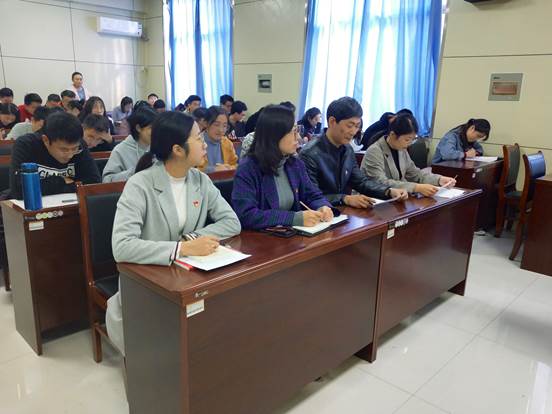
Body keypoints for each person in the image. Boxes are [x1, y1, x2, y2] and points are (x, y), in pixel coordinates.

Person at [106, 111, 241, 354]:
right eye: (198, 138)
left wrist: (190, 240)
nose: (204, 144)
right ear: (178, 150)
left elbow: (231, 222)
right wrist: (181, 248)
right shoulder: (140, 184)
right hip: (149, 277)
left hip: (188, 273)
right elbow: (122, 246)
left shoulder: (199, 180)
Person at [232, 105, 333, 230]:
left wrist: (322, 206)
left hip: (291, 235)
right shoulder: (248, 169)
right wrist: (293, 218)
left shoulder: (295, 164)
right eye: (293, 131)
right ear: (274, 135)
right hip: (261, 238)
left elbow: (312, 194)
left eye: (297, 130)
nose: (298, 137)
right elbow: (246, 215)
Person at [299, 97, 408, 207]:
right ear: (332, 122)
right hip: (318, 213)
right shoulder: (309, 154)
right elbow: (310, 197)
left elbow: (361, 182)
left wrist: (388, 191)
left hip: (341, 212)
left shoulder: (347, 149)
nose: (353, 132)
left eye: (357, 126)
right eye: (350, 126)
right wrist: (344, 199)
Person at [8, 111, 100, 199]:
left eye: (74, 149)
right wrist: (61, 181)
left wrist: (43, 185)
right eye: (64, 149)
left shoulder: (80, 145)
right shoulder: (26, 145)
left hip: (69, 205)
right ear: (46, 140)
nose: (70, 155)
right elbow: (19, 190)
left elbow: (93, 183)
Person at [361, 113, 457, 196]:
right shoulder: (374, 151)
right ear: (393, 135)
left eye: (412, 139)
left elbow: (415, 174)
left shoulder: (401, 150)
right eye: (407, 139)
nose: (410, 143)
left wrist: (439, 179)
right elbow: (380, 183)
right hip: (374, 200)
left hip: (397, 198)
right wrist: (416, 188)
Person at [102, 107, 157, 183]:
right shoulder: (120, 150)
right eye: (151, 128)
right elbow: (107, 180)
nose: (156, 132)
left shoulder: (158, 147)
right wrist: (134, 171)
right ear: (138, 128)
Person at [198, 106, 238, 173]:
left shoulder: (227, 143)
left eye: (224, 126)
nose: (221, 130)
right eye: (216, 125)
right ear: (206, 123)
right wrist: (213, 170)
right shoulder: (197, 143)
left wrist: (229, 168)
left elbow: (235, 164)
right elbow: (191, 170)